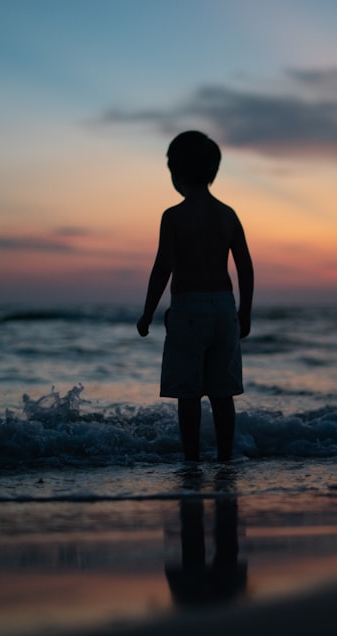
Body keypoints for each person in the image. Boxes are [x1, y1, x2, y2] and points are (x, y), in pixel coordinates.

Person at [137, 130, 254, 462]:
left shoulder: (173, 216)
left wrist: (147, 313)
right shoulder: (228, 214)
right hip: (223, 307)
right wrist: (244, 312)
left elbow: (163, 267)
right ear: (213, 172)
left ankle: (191, 460)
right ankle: (226, 457)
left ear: (175, 172)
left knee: (188, 394)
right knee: (222, 392)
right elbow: (245, 267)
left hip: (188, 306)